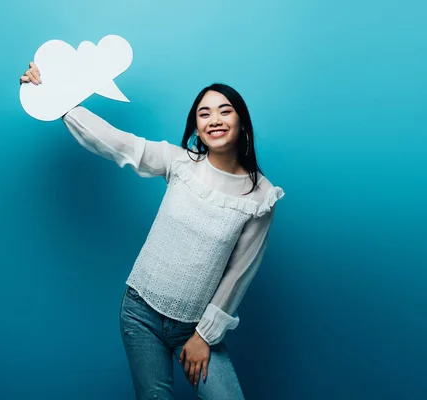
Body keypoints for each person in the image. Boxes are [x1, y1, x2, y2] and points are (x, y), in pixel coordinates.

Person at [20, 62, 285, 400]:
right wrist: (52, 96)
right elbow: (117, 143)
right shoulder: (179, 162)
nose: (214, 119)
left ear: (241, 122)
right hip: (139, 312)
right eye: (204, 114)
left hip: (194, 326)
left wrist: (203, 336)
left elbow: (238, 274)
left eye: (225, 111)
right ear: (196, 127)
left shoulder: (261, 197)